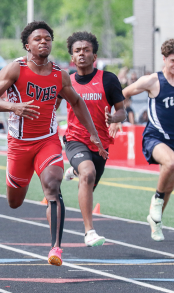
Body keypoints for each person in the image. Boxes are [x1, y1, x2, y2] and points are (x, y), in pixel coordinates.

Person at [0, 21, 107, 266]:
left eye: (48, 38)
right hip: (19, 144)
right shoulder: (15, 69)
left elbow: (77, 102)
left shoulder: (59, 74)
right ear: (27, 45)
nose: (43, 42)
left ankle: (56, 249)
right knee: (14, 202)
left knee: (53, 186)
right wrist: (13, 106)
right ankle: (18, 183)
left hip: (47, 141)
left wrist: (93, 133)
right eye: (38, 38)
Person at [61, 31, 126, 247]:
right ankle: (89, 232)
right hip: (75, 140)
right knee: (88, 174)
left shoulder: (108, 79)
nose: (81, 54)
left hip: (101, 145)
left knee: (89, 180)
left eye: (86, 50)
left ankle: (75, 171)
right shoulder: (66, 81)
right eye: (77, 51)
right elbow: (49, 105)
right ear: (72, 57)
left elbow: (122, 112)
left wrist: (113, 118)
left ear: (94, 56)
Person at [121, 39, 174, 241]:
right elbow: (123, 93)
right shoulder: (153, 81)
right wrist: (117, 117)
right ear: (164, 59)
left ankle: (156, 222)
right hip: (155, 137)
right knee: (170, 162)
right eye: (173, 61)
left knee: (169, 183)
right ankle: (157, 201)